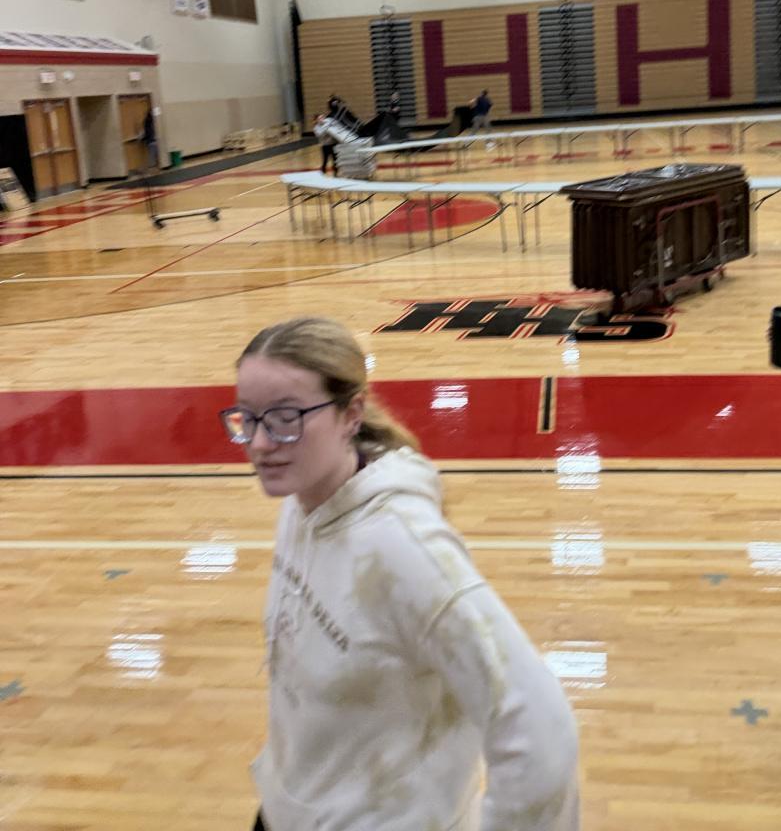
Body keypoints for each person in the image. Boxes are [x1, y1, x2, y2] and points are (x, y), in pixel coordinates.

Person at [221, 316, 580, 831]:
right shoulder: (301, 501)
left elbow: (540, 727)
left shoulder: (403, 549)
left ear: (351, 414)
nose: (259, 444)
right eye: (248, 418)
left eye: (285, 417)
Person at [312, 110, 336, 175]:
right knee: (325, 160)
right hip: (325, 145)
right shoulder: (316, 128)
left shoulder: (327, 124)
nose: (322, 119)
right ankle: (323, 171)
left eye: (323, 117)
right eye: (320, 118)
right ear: (317, 120)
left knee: (334, 159)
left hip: (332, 144)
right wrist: (326, 128)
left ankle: (335, 171)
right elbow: (320, 135)